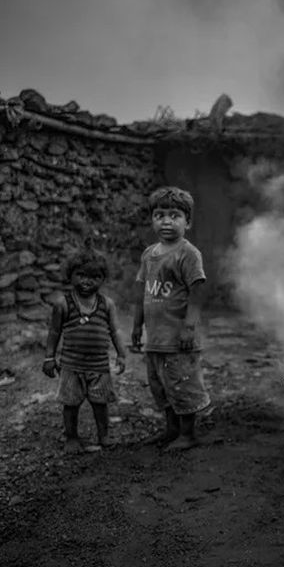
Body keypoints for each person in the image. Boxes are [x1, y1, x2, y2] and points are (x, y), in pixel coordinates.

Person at [131, 186, 211, 451]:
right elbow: (143, 291)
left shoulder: (188, 253)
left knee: (182, 385)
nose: (166, 221)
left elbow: (197, 291)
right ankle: (171, 429)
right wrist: (136, 327)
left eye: (174, 215)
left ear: (187, 222)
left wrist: (189, 328)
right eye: (159, 215)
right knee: (160, 386)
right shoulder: (148, 254)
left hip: (179, 339)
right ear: (152, 219)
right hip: (155, 339)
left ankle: (187, 434)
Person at [43, 249, 126, 453]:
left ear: (103, 278)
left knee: (101, 403)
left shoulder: (107, 304)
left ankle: (104, 436)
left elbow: (115, 331)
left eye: (94, 277)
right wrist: (49, 357)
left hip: (99, 365)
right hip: (71, 364)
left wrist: (121, 354)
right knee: (70, 403)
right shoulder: (63, 303)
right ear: (70, 275)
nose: (87, 281)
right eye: (81, 275)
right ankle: (71, 437)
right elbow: (54, 331)